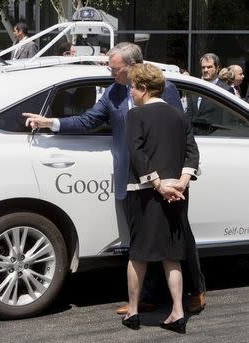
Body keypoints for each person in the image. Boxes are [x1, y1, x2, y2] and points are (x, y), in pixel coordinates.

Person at [23, 42, 206, 314]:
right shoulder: (114, 93)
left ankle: (196, 290)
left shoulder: (164, 88)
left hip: (166, 178)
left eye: (115, 69)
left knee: (177, 236)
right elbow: (88, 121)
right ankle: (147, 297)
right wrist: (51, 123)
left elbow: (178, 131)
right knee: (142, 238)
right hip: (132, 177)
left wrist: (180, 176)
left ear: (133, 68)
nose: (111, 74)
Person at [121, 63, 199, 334]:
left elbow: (136, 151)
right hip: (178, 193)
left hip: (145, 193)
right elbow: (192, 152)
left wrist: (157, 183)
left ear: (143, 88)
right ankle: (178, 313)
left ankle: (133, 311)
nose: (130, 91)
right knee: (172, 255)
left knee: (139, 254)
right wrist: (181, 182)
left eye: (132, 86)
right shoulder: (179, 116)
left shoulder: (135, 115)